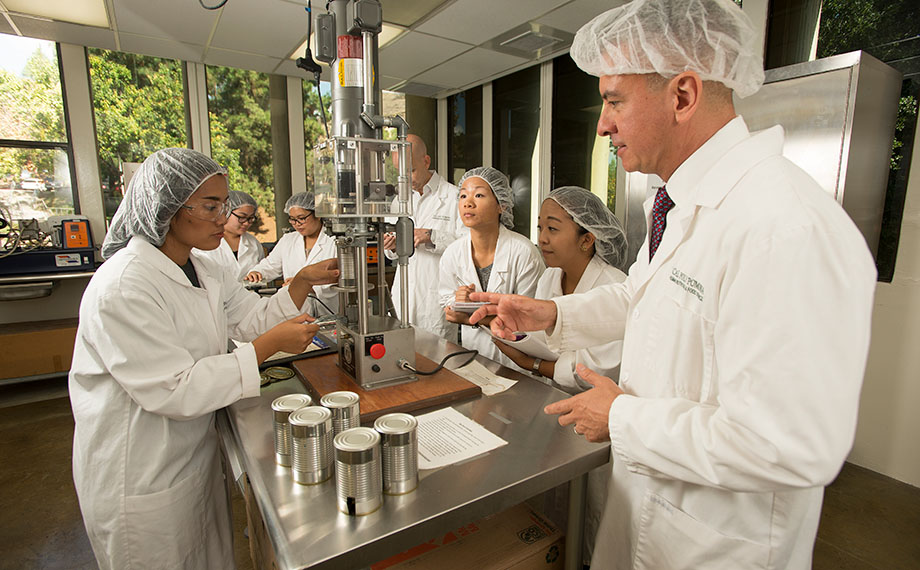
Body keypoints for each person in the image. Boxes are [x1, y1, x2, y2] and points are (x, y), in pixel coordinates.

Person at [469, 1, 877, 568]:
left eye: (614, 100)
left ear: (682, 95)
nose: (602, 123)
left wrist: (622, 418)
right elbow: (649, 298)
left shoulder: (784, 228)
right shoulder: (689, 208)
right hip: (652, 519)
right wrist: (551, 315)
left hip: (714, 546)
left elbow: (792, 446)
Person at [69, 148, 339, 569]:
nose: (223, 217)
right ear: (168, 209)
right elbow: (176, 389)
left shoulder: (203, 269)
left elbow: (251, 318)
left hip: (193, 453)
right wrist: (269, 346)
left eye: (224, 205)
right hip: (142, 468)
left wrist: (302, 279)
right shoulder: (123, 286)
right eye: (211, 206)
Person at [439, 166, 543, 369]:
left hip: (518, 360)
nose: (468, 203)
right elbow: (447, 306)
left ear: (501, 205)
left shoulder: (524, 253)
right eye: (462, 196)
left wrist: (473, 317)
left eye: (479, 195)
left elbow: (531, 317)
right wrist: (458, 301)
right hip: (474, 356)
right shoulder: (453, 253)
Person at [384, 134, 465, 339]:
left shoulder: (454, 197)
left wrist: (431, 236)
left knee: (437, 360)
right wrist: (392, 246)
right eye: (400, 173)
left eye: (410, 171)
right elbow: (393, 255)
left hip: (435, 301)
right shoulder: (398, 202)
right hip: (403, 297)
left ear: (426, 161)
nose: (405, 179)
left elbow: (468, 247)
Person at [246, 191, 338, 316]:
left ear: (317, 215)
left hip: (328, 310)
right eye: (292, 219)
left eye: (301, 218)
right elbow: (271, 265)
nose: (297, 224)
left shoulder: (334, 241)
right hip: (295, 310)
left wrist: (303, 285)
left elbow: (340, 278)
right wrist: (258, 272)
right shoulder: (288, 240)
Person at [193, 189, 265, 280]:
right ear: (226, 212)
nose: (246, 223)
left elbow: (262, 271)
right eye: (242, 217)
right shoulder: (205, 242)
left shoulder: (253, 243)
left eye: (250, 218)